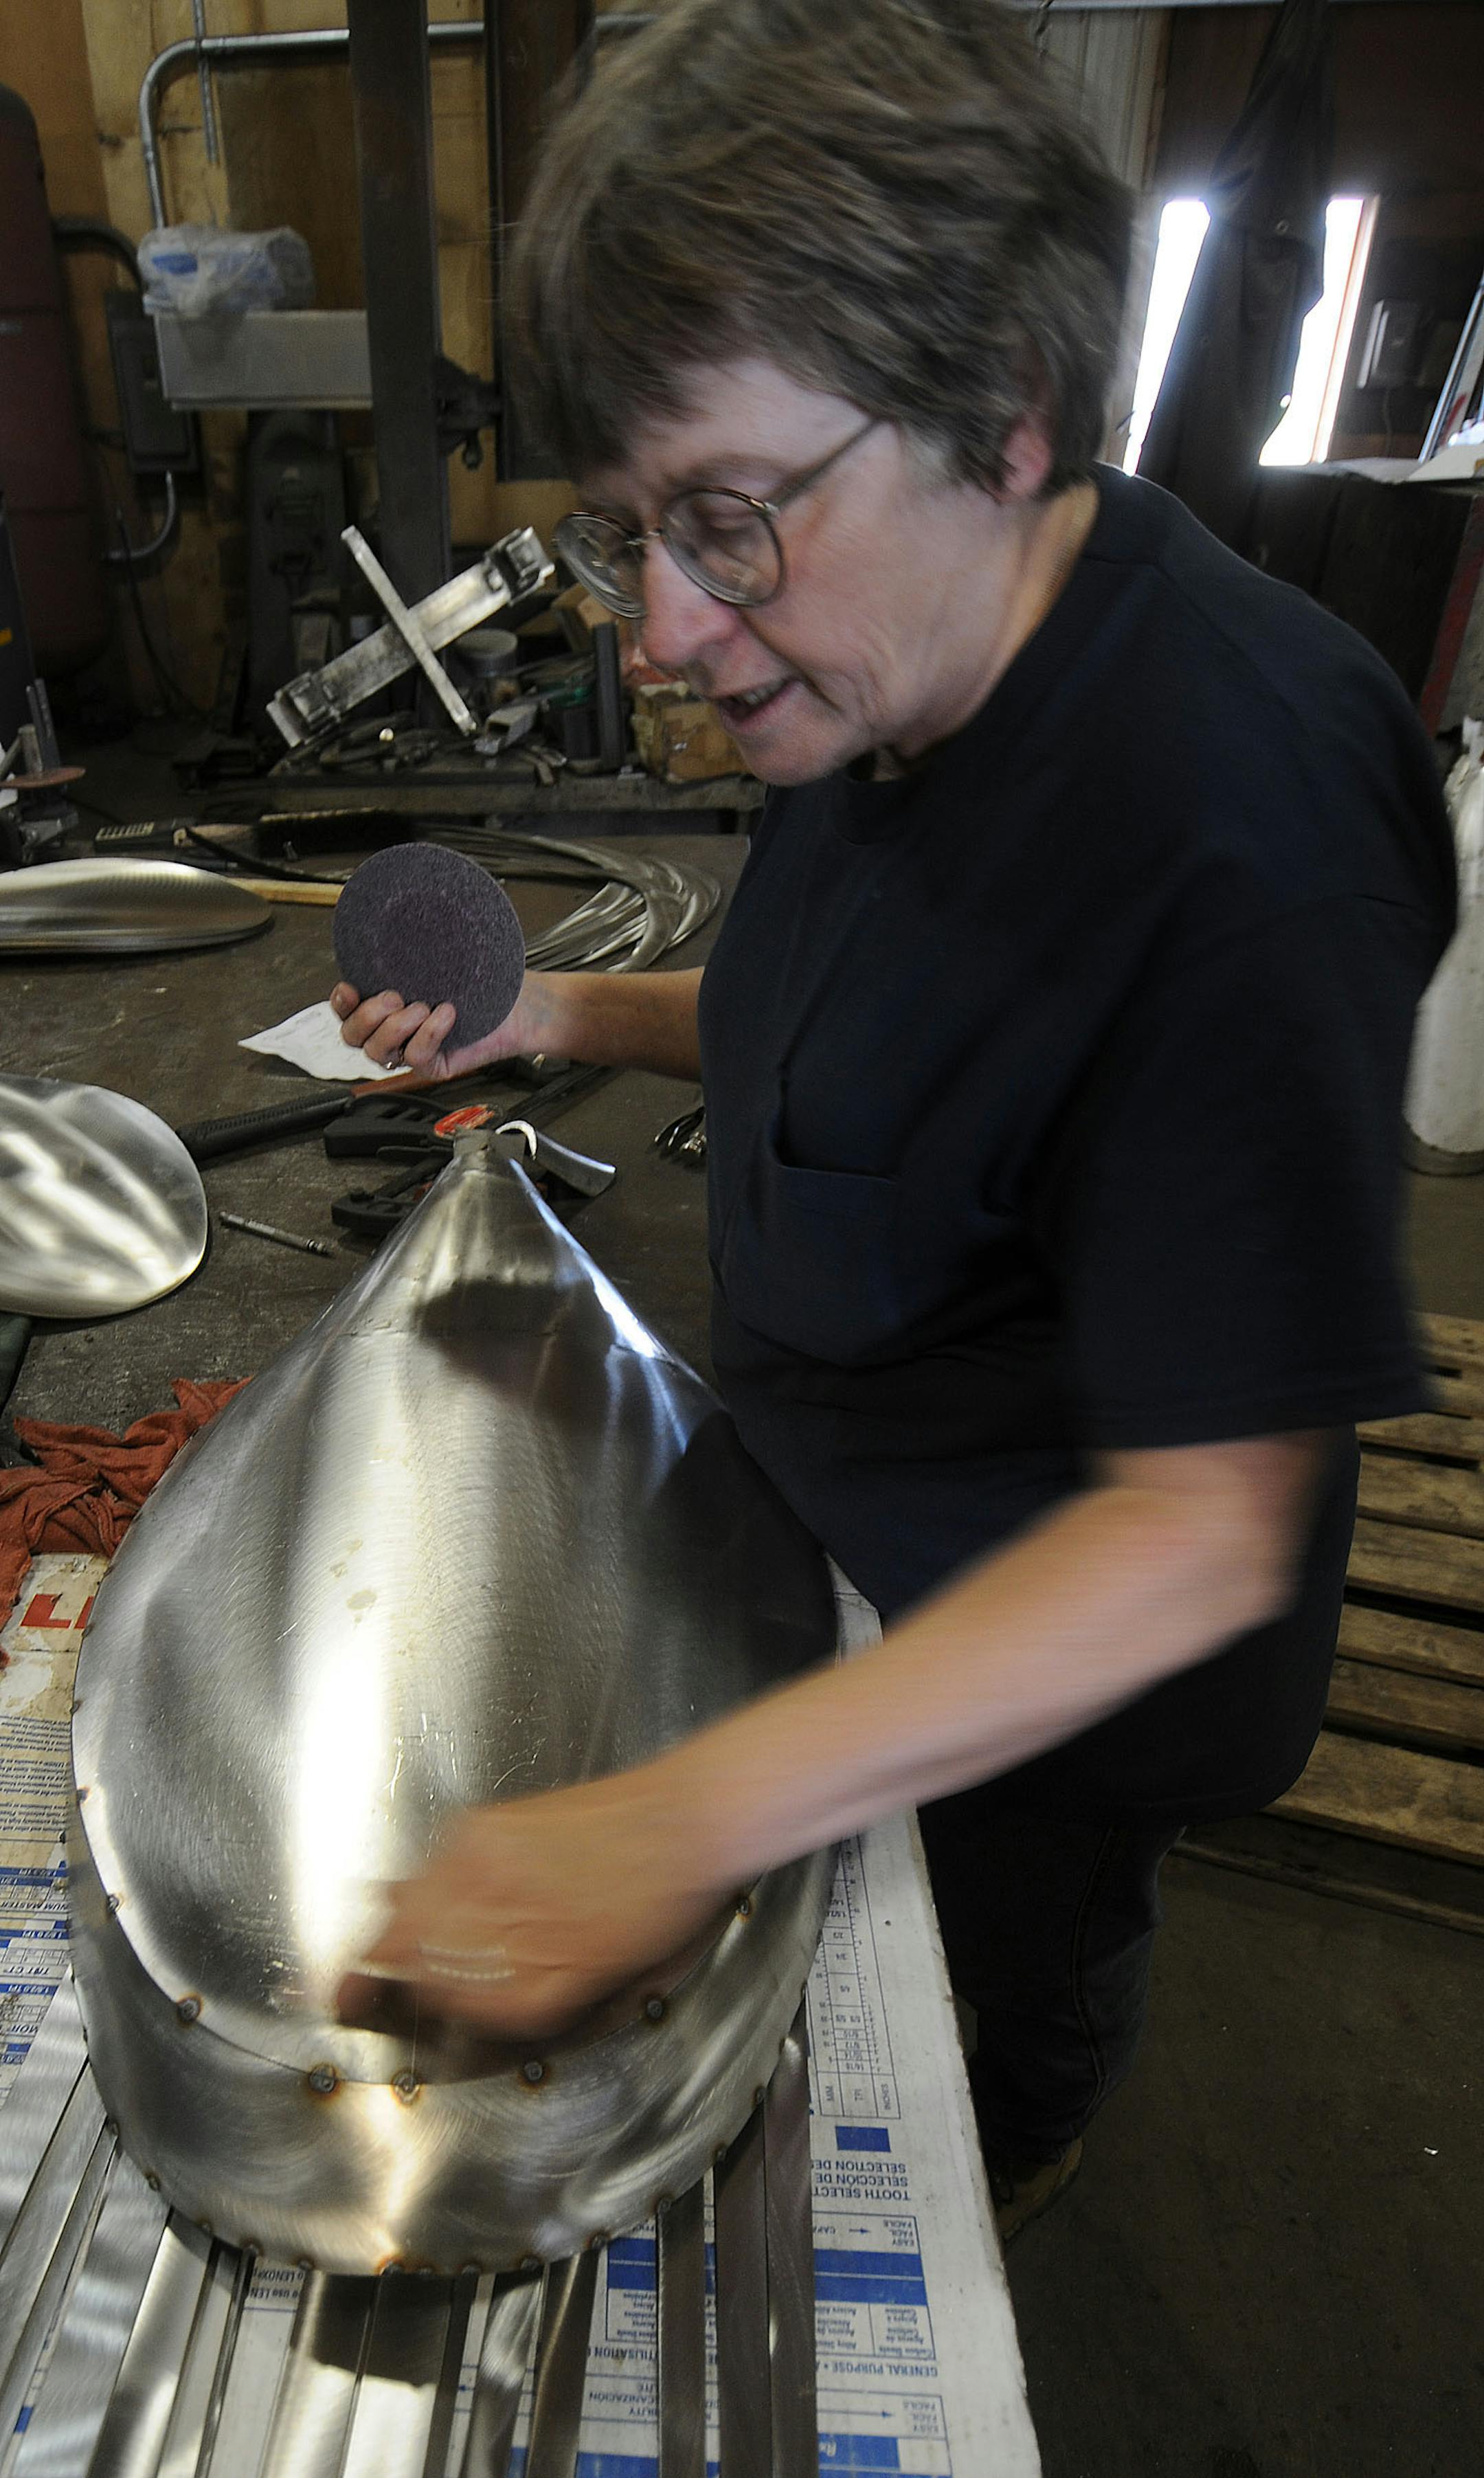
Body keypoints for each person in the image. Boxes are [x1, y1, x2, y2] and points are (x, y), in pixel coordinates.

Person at [331, 0, 1454, 2238]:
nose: (660, 624)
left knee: (1004, 1995)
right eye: (626, 529)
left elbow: (1206, 1531)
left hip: (1063, 1673)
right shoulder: (880, 669)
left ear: (1005, 419)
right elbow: (827, 1029)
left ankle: (1030, 2139)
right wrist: (552, 1008)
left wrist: (662, 1824)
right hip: (843, 1518)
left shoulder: (1240, 826)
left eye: (727, 522)